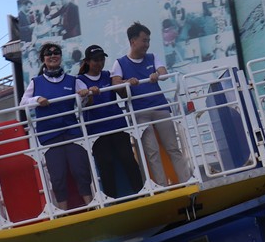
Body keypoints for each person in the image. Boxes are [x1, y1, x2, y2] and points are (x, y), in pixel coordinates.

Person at [110, 22, 192, 187]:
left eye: (148, 41)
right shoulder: (120, 63)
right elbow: (115, 84)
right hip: (139, 112)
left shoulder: (153, 57)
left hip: (160, 107)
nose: (147, 44)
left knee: (173, 147)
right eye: (144, 40)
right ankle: (162, 187)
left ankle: (187, 182)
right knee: (152, 152)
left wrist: (156, 74)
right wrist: (127, 82)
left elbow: (164, 73)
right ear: (133, 41)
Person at [20, 43, 93, 210]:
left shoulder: (73, 80)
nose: (52, 56)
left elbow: (86, 100)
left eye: (56, 52)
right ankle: (63, 211)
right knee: (57, 176)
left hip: (71, 131)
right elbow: (23, 103)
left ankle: (90, 205)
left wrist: (85, 95)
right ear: (43, 59)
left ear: (61, 56)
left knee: (80, 170)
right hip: (50, 135)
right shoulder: (36, 82)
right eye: (48, 54)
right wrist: (37, 99)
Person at [77, 45, 144, 198]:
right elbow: (84, 104)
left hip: (116, 124)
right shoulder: (80, 80)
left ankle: (141, 191)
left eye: (102, 59)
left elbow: (122, 94)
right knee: (105, 164)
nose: (100, 63)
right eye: (96, 60)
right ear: (87, 61)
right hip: (97, 130)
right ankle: (111, 198)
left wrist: (126, 83)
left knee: (128, 158)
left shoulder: (109, 75)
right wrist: (89, 94)